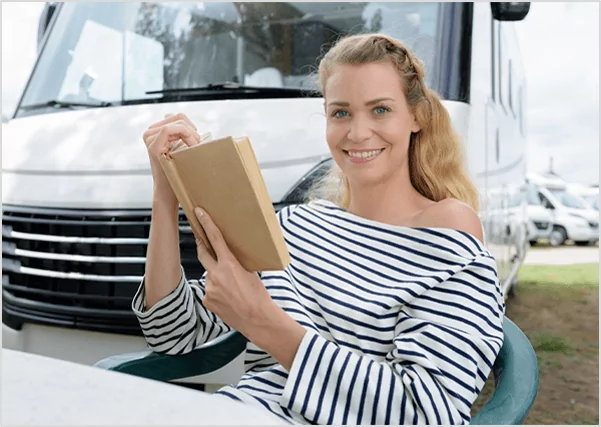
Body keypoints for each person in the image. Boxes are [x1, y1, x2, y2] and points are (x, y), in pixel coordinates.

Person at [135, 33, 505, 425]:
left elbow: (429, 412)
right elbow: (170, 332)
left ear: (416, 117)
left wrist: (263, 321)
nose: (358, 133)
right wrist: (166, 193)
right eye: (341, 113)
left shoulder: (449, 229)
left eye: (380, 110)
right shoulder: (297, 226)